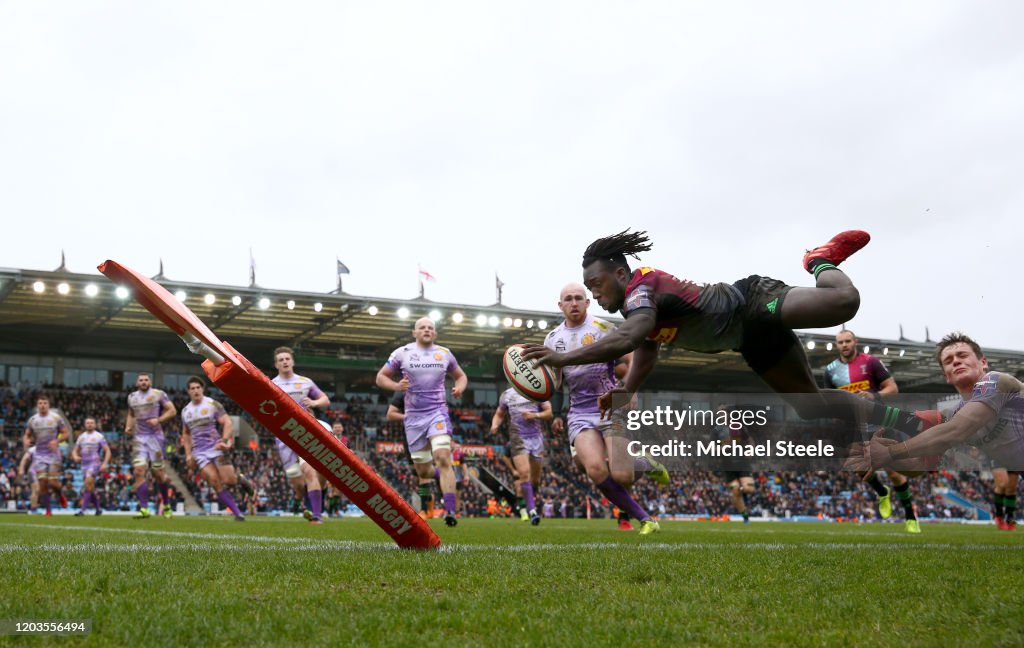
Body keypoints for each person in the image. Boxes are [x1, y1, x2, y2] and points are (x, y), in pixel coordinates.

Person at [521, 229, 933, 449]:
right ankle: (911, 423)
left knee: (843, 302)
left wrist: (562, 359)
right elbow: (645, 354)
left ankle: (819, 260)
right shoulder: (636, 309)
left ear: (621, 274)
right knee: (812, 408)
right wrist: (625, 396)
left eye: (596, 284)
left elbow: (631, 338)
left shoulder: (642, 287)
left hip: (752, 302)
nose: (594, 294)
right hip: (751, 342)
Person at [861, 333, 1023, 531]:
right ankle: (1003, 519)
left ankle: (1006, 518)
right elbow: (919, 465)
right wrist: (885, 459)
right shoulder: (954, 414)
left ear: (983, 362)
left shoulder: (996, 380)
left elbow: (955, 431)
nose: (956, 361)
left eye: (962, 355)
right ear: (946, 375)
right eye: (949, 360)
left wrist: (890, 452)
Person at [543, 283, 667, 535]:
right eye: (568, 299)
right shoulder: (553, 339)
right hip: (579, 413)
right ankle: (645, 519)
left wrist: (628, 389)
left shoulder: (603, 329)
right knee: (595, 469)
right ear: (560, 305)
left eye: (579, 298)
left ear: (587, 302)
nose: (574, 303)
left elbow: (633, 358)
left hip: (611, 406)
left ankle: (645, 462)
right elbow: (556, 382)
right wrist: (554, 411)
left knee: (622, 475)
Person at [824, 330, 920, 533]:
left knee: (894, 473)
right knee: (860, 469)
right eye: (840, 342)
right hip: (851, 426)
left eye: (848, 341)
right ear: (836, 345)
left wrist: (874, 396)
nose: (844, 345)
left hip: (879, 423)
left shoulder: (871, 362)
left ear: (855, 342)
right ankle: (882, 491)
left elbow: (892, 388)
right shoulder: (830, 370)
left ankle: (910, 516)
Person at [376, 317, 468, 527]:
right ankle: (441, 477)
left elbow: (461, 376)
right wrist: (396, 386)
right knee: (424, 471)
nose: (426, 330)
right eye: (422, 327)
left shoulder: (444, 353)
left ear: (435, 334)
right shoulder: (402, 353)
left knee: (443, 457)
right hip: (414, 419)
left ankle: (450, 511)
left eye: (430, 328)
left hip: (438, 413)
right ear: (414, 333)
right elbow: (380, 377)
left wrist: (459, 387)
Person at [271, 346, 331, 524]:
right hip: (284, 435)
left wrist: (313, 402)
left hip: (306, 431)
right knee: (297, 482)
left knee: (310, 471)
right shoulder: (271, 384)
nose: (285, 362)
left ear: (292, 361)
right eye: (281, 360)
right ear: (276, 365)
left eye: (287, 359)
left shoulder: (305, 382)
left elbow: (325, 400)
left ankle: (316, 516)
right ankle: (308, 500)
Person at [181, 376, 245, 521]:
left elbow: (227, 422)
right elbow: (186, 433)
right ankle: (237, 513)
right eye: (192, 388)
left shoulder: (212, 404)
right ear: (188, 392)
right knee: (215, 482)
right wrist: (188, 455)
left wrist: (224, 441)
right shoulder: (185, 411)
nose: (196, 390)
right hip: (200, 452)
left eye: (198, 387)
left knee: (229, 480)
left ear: (202, 389)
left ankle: (241, 479)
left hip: (216, 447)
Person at [490, 388, 552, 525]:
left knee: (535, 480)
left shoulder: (538, 389)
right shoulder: (507, 394)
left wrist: (535, 416)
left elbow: (549, 413)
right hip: (518, 438)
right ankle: (532, 511)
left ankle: (530, 500)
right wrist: (495, 425)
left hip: (536, 438)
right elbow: (499, 414)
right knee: (524, 474)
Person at [125, 373, 177, 518]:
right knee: (139, 471)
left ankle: (166, 505)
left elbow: (172, 410)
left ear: (150, 382)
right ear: (137, 382)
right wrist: (128, 427)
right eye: (141, 380)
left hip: (155, 437)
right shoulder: (132, 397)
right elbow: (131, 414)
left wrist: (158, 420)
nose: (143, 382)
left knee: (158, 474)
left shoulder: (158, 394)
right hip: (139, 438)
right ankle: (144, 509)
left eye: (146, 379)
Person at [23, 394, 70, 517]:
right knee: (43, 484)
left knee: (53, 483)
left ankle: (60, 495)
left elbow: (66, 433)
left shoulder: (56, 418)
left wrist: (57, 441)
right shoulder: (33, 420)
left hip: (53, 454)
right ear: (37, 405)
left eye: (45, 403)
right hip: (39, 455)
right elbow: (27, 434)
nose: (42, 405)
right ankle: (48, 511)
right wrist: (26, 441)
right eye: (40, 403)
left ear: (48, 405)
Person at [71, 417, 110, 516]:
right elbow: (75, 449)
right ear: (85, 425)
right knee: (90, 487)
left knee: (88, 483)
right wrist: (75, 456)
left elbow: (107, 451)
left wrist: (104, 463)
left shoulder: (99, 436)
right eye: (88, 423)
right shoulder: (81, 437)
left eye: (92, 423)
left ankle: (82, 510)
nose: (89, 424)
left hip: (94, 463)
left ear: (95, 425)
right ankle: (98, 509)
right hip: (84, 464)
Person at [17, 446, 39, 512]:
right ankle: (33, 508)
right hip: (33, 471)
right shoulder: (33, 449)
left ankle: (33, 506)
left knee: (37, 491)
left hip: (41, 472)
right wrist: (21, 468)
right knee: (36, 490)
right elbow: (24, 458)